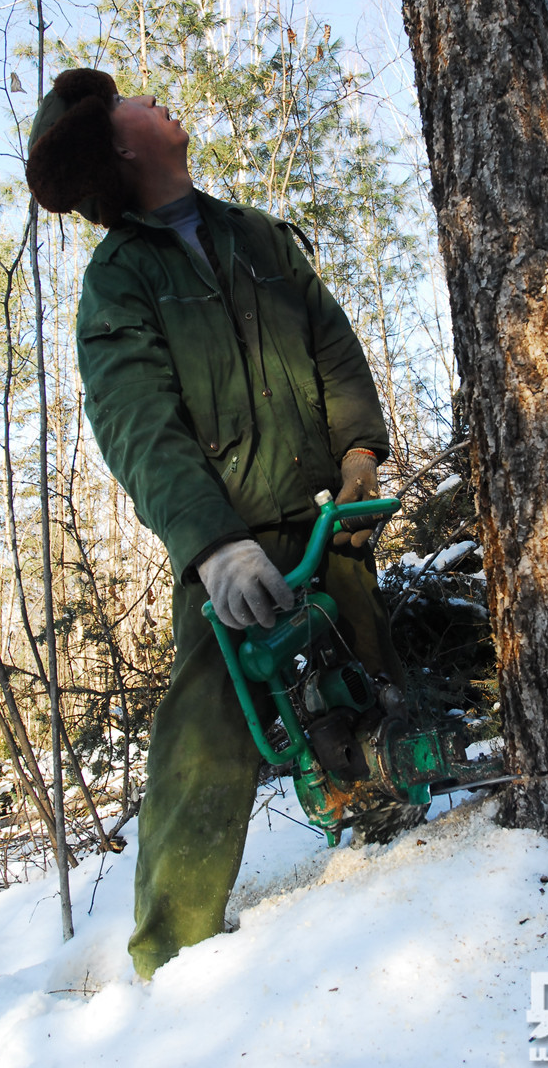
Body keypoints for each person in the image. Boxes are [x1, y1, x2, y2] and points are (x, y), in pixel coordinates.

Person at [26, 68, 404, 980]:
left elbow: (333, 344)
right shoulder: (119, 280)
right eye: (135, 106)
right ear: (122, 146)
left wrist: (358, 454)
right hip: (227, 544)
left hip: (324, 518)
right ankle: (168, 949)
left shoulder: (256, 235)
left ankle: (390, 832)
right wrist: (212, 545)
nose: (157, 100)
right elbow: (137, 423)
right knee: (204, 729)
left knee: (379, 683)